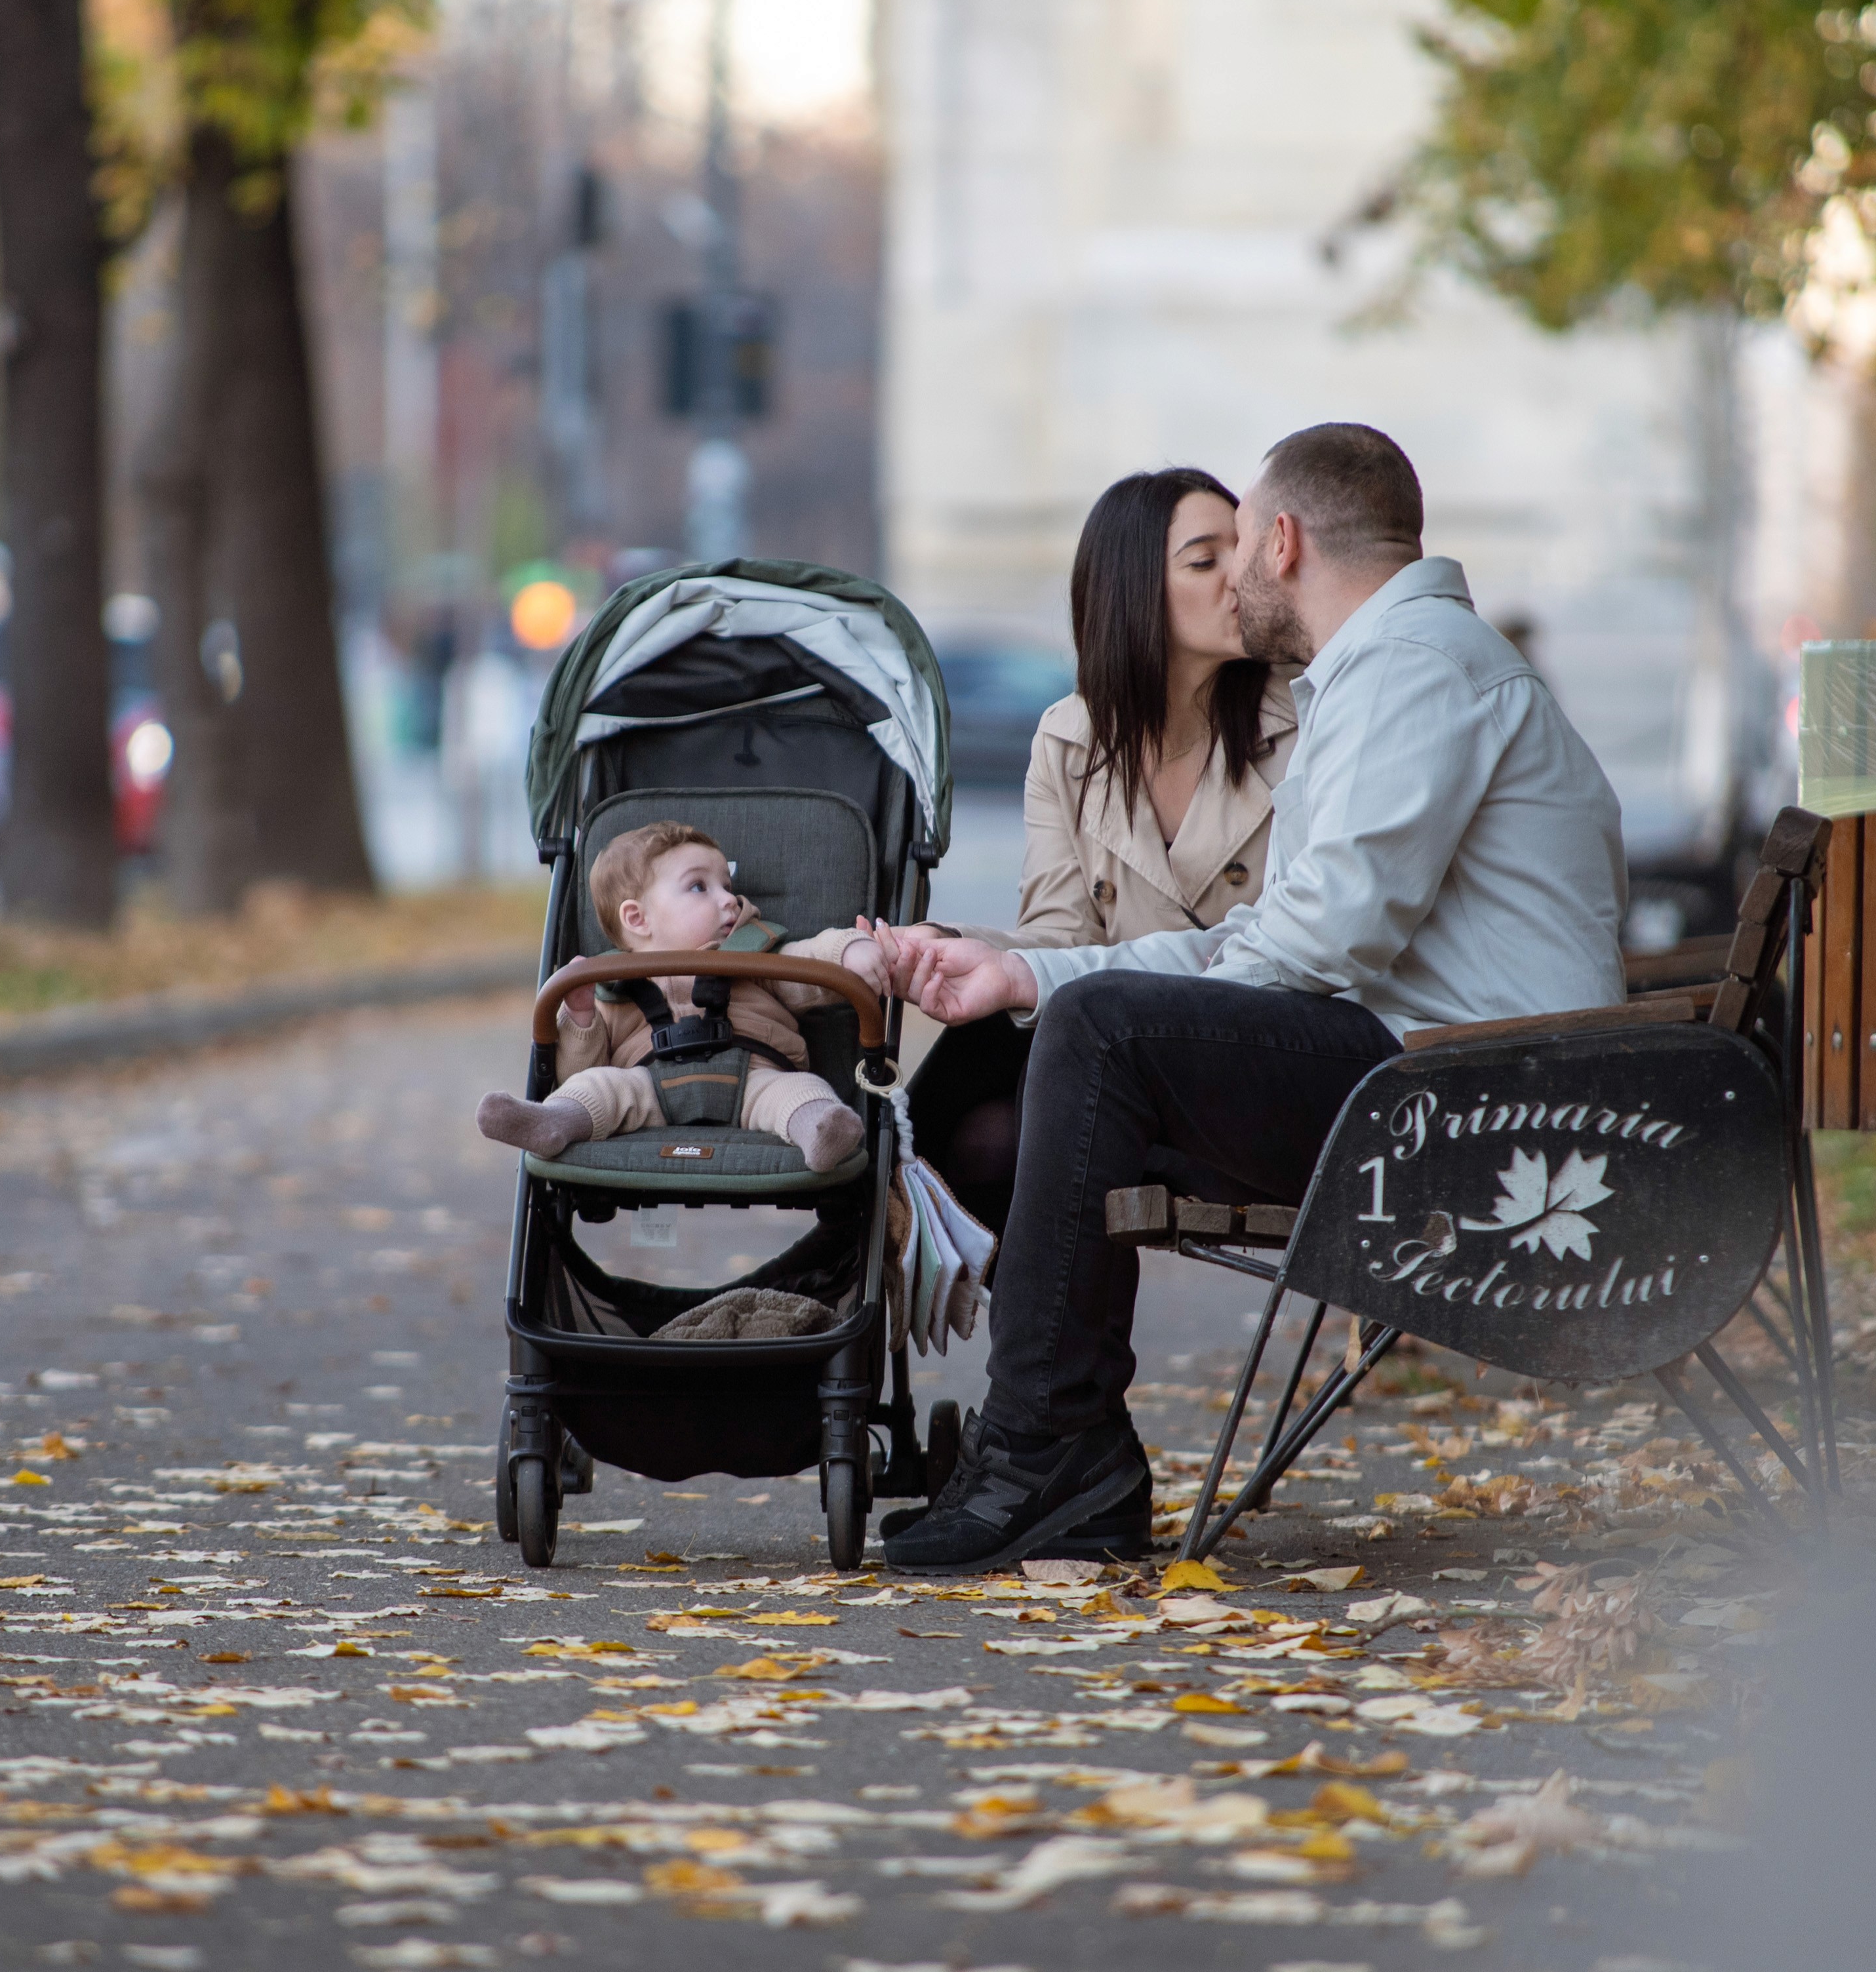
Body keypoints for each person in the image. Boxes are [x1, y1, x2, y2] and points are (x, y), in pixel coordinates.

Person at [874, 424, 1628, 1574]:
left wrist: (1135, 1016)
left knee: (1103, 1036)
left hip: (1482, 1105)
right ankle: (1048, 1449)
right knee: (1076, 1035)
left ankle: (1047, 1451)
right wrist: (1032, 974)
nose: (1232, 576)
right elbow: (1286, 932)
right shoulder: (1392, 666)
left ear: (1282, 543)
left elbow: (1324, 934)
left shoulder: (1412, 667)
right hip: (1455, 1074)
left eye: (1236, 545)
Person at [908, 467, 1299, 1235]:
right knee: (986, 1078)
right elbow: (1059, 936)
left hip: (1256, 1057)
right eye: (1204, 560)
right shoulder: (1071, 738)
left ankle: (838, 1274)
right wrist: (939, 946)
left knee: (1029, 1082)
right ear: (1132, 592)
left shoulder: (1302, 722)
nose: (1240, 577)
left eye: (1244, 549)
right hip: (1122, 1053)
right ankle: (870, 1264)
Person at [475, 822, 890, 1173]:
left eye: (727, 886)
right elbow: (580, 1068)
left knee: (800, 1091)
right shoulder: (613, 983)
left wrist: (848, 951)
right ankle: (553, 1121)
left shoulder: (754, 956)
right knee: (597, 1086)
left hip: (755, 1077)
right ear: (637, 918)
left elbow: (810, 961)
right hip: (647, 1087)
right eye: (698, 887)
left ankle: (821, 1131)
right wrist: (581, 1015)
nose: (729, 899)